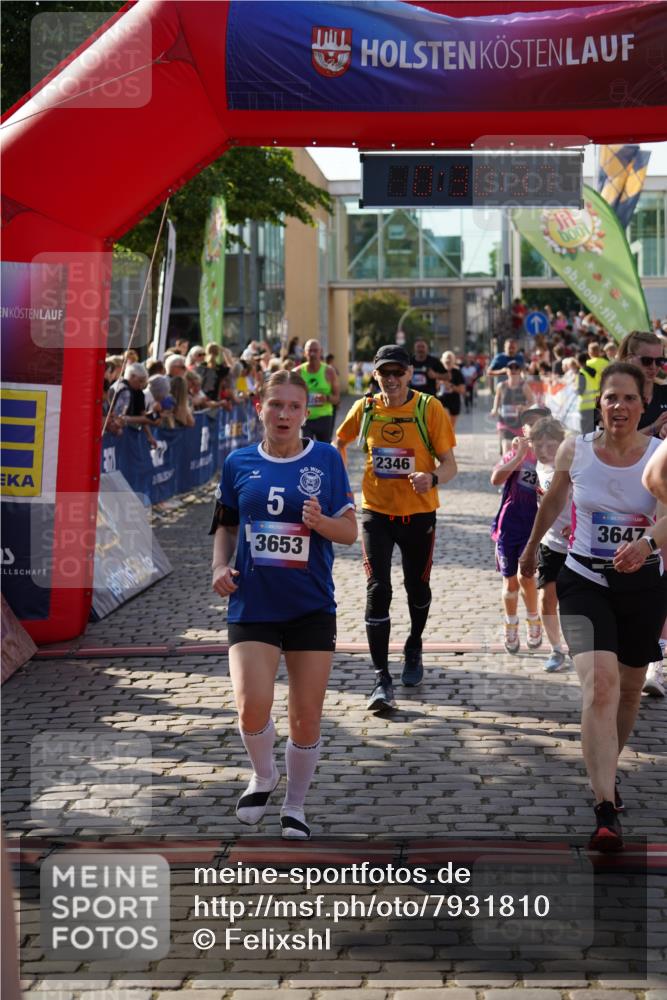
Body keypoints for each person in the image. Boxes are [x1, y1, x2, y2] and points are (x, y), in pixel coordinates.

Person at [519, 362, 667, 851]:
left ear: (643, 405)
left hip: (643, 584)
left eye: (628, 398)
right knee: (599, 686)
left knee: (626, 693)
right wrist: (530, 547)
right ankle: (604, 805)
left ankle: (607, 766)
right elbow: (553, 500)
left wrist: (646, 544)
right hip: (583, 579)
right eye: (610, 398)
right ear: (598, 404)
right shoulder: (575, 448)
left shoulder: (660, 455)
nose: (619, 406)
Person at [210, 370, 357, 840]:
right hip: (252, 601)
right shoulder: (237, 462)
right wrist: (218, 567)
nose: (285, 415)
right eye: (276, 405)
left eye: (294, 407)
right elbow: (226, 525)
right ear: (260, 407)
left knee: (305, 715)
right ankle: (263, 774)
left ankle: (295, 805)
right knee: (252, 705)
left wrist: (321, 524)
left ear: (306, 412)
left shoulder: (327, 460)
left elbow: (350, 534)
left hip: (310, 605)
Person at [336, 345, 457, 710]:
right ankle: (380, 679)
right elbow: (337, 443)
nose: (391, 380)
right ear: (375, 375)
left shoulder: (427, 408)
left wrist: (432, 477)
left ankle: (414, 643)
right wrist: (340, 484)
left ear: (409, 374)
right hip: (376, 514)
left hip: (419, 515)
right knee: (378, 589)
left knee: (417, 587)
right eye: (384, 374)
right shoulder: (366, 408)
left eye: (397, 373)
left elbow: (451, 464)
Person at [490, 406, 551, 654]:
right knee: (510, 582)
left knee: (527, 577)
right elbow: (495, 479)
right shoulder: (516, 453)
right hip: (509, 525)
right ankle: (511, 623)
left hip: (535, 528)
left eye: (539, 425)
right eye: (528, 425)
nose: (533, 430)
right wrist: (517, 456)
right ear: (523, 430)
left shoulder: (551, 457)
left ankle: (533, 619)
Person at [529, 417, 572, 672]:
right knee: (546, 599)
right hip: (550, 542)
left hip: (578, 545)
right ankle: (557, 650)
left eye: (551, 444)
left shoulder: (571, 466)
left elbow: (588, 499)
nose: (544, 450)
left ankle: (584, 647)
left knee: (575, 602)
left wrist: (577, 524)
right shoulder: (537, 464)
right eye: (539, 444)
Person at [617, 330, 667, 438]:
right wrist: (654, 428)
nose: (653, 367)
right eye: (647, 360)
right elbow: (614, 444)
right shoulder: (614, 399)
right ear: (630, 359)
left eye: (659, 361)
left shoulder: (664, 392)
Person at [295, 339, 340, 442]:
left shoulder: (329, 372)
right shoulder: (297, 372)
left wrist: (326, 398)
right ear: (304, 352)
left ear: (321, 352)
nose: (312, 354)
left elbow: (337, 399)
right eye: (309, 350)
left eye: (315, 350)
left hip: (324, 417)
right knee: (305, 449)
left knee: (324, 451)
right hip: (305, 418)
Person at [490, 360, 535, 454]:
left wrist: (524, 407)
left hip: (519, 423)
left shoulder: (524, 386)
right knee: (507, 448)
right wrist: (494, 409)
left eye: (516, 368)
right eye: (511, 368)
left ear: (519, 371)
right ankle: (506, 465)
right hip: (504, 422)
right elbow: (497, 399)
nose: (513, 370)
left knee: (518, 451)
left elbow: (532, 402)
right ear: (507, 370)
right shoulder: (501, 386)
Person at [437, 351, 465, 430]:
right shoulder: (438, 372)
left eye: (450, 359)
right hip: (441, 401)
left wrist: (451, 386)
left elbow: (462, 390)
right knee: (446, 422)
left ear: (453, 361)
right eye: (446, 359)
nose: (448, 361)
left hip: (454, 401)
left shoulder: (457, 373)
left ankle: (450, 442)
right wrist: (440, 383)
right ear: (442, 360)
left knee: (451, 427)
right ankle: (444, 441)